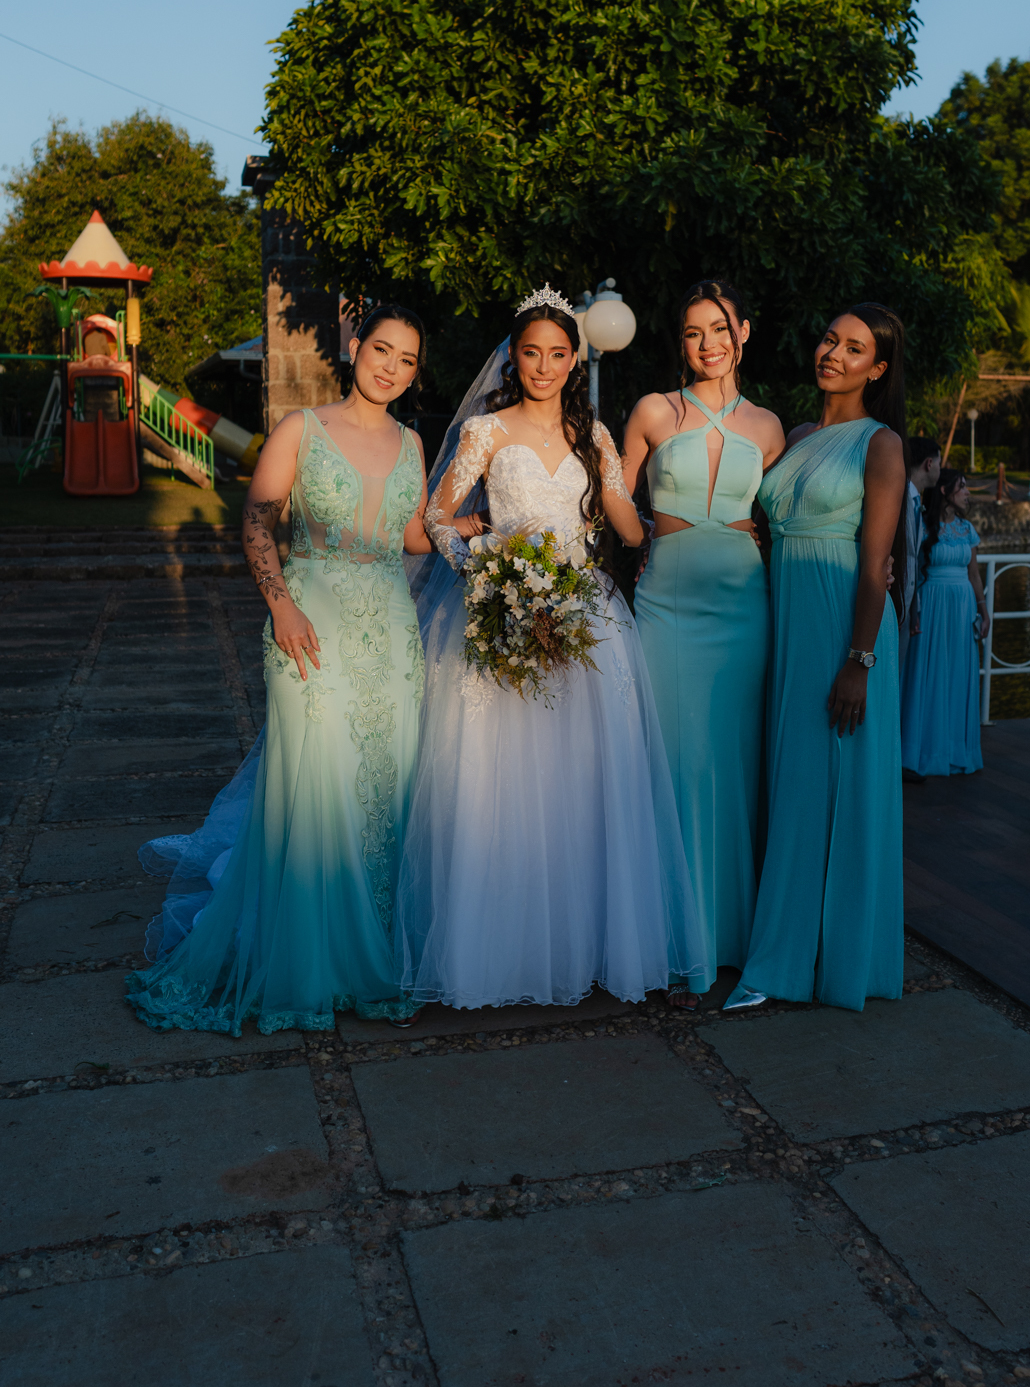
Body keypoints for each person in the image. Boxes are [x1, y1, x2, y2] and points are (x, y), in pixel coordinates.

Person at [127, 306, 443, 1035]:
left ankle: (365, 959)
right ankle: (300, 965)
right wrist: (283, 606)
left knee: (379, 794)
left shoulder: (413, 443)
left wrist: (469, 530)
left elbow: (411, 536)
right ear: (354, 347)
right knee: (313, 788)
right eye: (381, 349)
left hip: (391, 637)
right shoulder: (303, 428)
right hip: (310, 626)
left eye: (407, 359)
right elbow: (257, 520)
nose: (390, 366)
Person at [395, 290, 704, 1011]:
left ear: (575, 360)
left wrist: (673, 525)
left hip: (585, 615)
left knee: (585, 781)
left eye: (557, 354)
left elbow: (623, 521)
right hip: (505, 608)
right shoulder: (485, 431)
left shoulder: (594, 435)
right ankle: (502, 951)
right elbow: (438, 516)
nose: (543, 365)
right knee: (504, 783)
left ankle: (588, 941)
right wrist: (480, 569)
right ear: (514, 356)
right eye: (530, 352)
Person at [724, 302, 907, 1013]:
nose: (834, 352)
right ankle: (789, 948)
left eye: (854, 347)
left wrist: (858, 661)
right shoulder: (795, 435)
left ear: (877, 368)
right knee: (792, 782)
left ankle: (799, 964)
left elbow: (876, 565)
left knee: (832, 784)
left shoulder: (881, 444)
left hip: (843, 625)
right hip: (787, 622)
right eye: (830, 337)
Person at [623, 280, 786, 1007]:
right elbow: (615, 507)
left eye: (718, 329)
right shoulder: (655, 411)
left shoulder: (773, 427)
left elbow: (779, 518)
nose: (707, 344)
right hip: (667, 601)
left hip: (743, 604)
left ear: (742, 331)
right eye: (692, 333)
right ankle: (671, 935)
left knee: (734, 760)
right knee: (675, 758)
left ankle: (733, 935)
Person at [899, 468, 988, 778]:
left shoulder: (967, 529)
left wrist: (983, 609)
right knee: (928, 671)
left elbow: (974, 573)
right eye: (962, 488)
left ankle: (954, 748)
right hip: (932, 603)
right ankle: (920, 750)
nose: (968, 494)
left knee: (957, 672)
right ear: (945, 491)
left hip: (962, 606)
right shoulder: (923, 525)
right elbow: (912, 564)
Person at [899, 436, 941, 784]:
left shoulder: (916, 502)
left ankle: (893, 759)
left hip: (906, 607)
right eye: (939, 463)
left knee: (896, 684)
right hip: (891, 604)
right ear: (929, 463)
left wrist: (914, 610)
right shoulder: (900, 499)